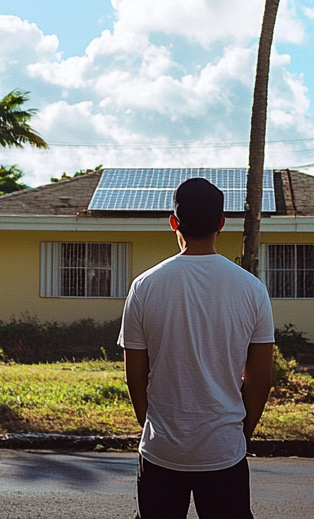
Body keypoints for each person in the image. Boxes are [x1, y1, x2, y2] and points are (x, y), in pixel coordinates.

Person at [119, 177, 276, 519]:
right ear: (222, 223)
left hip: (161, 451)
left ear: (174, 222)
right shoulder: (252, 289)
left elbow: (135, 377)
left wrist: (155, 427)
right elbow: (261, 379)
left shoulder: (144, 287)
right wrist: (240, 434)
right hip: (224, 452)